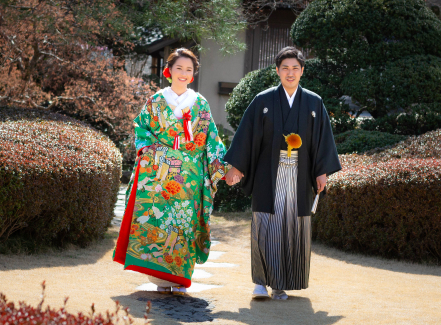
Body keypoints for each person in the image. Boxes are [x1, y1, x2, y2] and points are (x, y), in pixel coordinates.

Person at [224, 47, 341, 300]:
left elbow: (322, 140)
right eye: (285, 68)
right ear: (277, 71)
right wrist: (237, 166)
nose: (290, 73)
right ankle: (260, 282)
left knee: (292, 228)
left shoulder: (314, 102)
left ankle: (280, 283)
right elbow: (247, 135)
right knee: (264, 225)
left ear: (302, 71)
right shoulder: (263, 100)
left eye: (295, 68)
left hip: (300, 175)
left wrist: (322, 172)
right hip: (268, 173)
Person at [114, 48, 230, 294]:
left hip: (190, 176)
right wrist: (148, 149)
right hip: (159, 172)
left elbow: (211, 139)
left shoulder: (200, 103)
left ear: (193, 73)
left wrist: (222, 166)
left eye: (189, 69)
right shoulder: (156, 100)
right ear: (169, 70)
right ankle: (160, 279)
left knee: (184, 223)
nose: (184, 73)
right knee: (158, 221)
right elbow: (141, 128)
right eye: (179, 68)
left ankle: (181, 278)